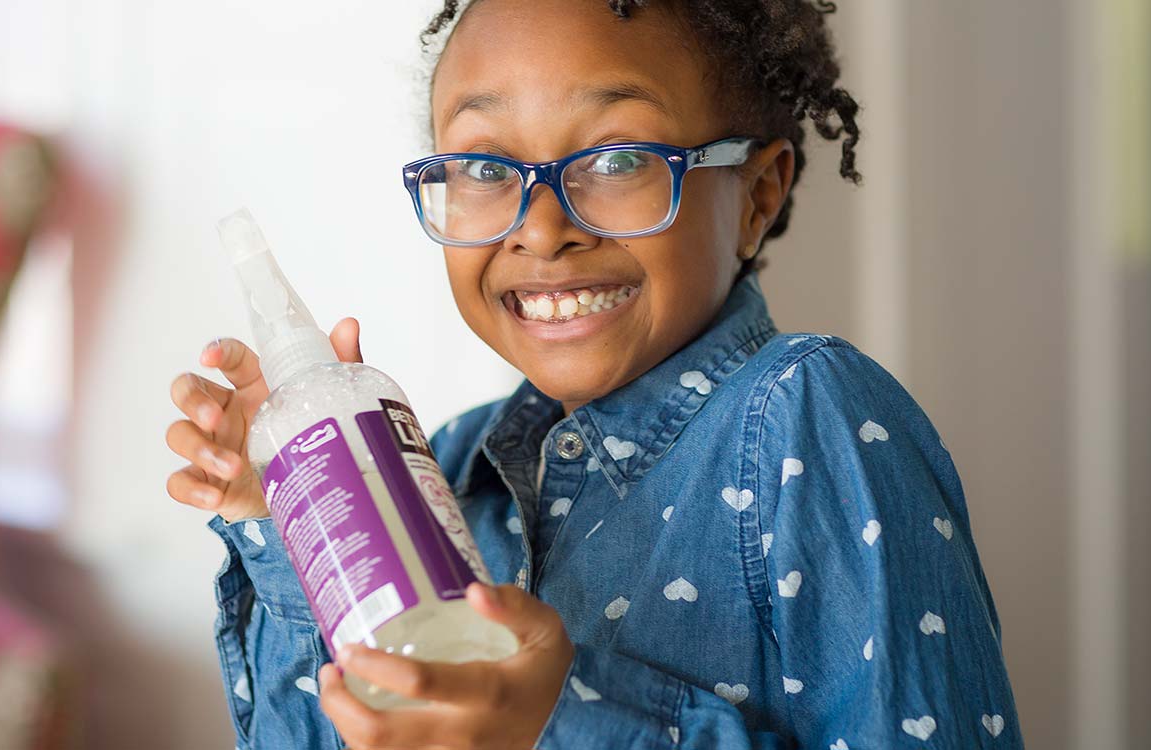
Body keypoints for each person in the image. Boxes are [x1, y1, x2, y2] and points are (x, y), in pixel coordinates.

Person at [166, 1, 1023, 747]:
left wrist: (556, 723)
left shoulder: (808, 415)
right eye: (484, 169)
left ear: (756, 196)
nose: (540, 230)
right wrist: (291, 527)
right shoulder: (451, 469)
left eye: (617, 160)